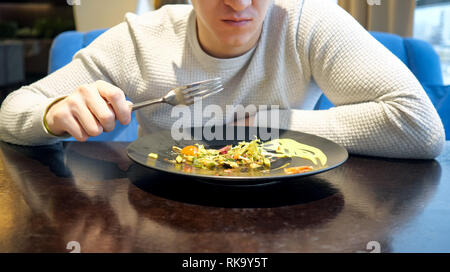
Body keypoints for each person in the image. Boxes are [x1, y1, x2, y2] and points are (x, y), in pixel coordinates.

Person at [0, 0, 445, 159]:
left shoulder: (310, 21)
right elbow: (11, 111)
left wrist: (265, 123)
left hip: (289, 209)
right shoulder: (139, 39)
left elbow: (422, 129)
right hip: (162, 214)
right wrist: (51, 114)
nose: (239, 3)